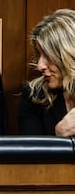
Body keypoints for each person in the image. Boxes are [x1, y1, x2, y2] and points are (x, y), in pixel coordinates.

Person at [18, 8, 75, 136]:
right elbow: (29, 153)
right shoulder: (34, 95)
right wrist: (58, 136)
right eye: (39, 55)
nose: (39, 66)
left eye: (48, 55)